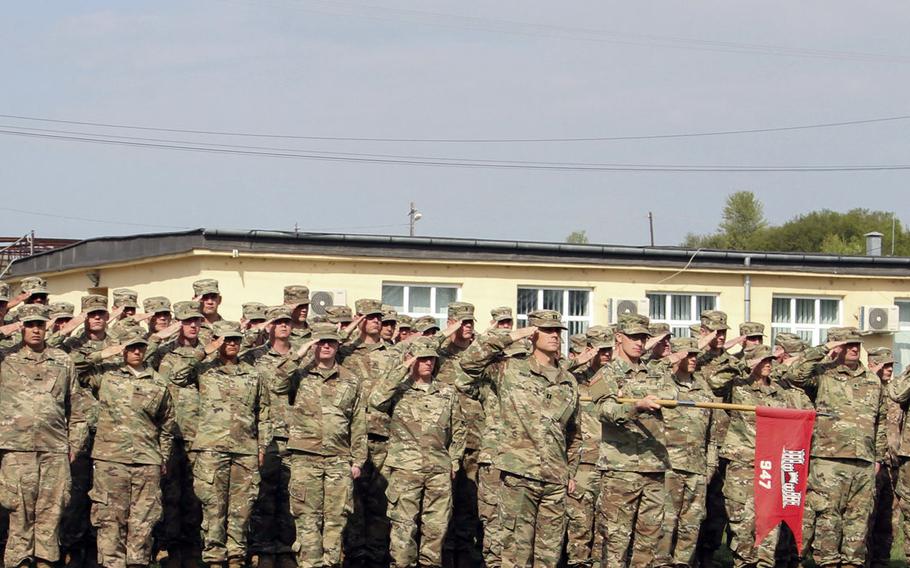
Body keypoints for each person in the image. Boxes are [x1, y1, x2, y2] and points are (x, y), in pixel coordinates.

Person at [458, 309, 580, 567]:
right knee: (515, 555)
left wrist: (571, 471)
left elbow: (574, 432)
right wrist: (513, 335)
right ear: (534, 333)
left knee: (549, 556)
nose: (555, 336)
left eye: (558, 331)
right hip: (519, 474)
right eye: (548, 330)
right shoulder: (509, 369)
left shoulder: (568, 380)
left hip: (555, 479)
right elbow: (469, 362)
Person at [786, 327, 886, 568]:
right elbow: (795, 376)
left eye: (857, 345)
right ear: (838, 347)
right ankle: (828, 563)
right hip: (829, 459)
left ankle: (852, 563)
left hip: (863, 462)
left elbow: (880, 421)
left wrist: (878, 458)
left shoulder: (872, 380)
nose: (854, 348)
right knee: (828, 519)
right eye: (848, 344)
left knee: (858, 522)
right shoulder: (823, 373)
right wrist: (823, 349)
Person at [270, 322, 366, 568]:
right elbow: (276, 383)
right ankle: (309, 564)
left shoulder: (350, 380)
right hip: (305, 457)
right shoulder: (299, 374)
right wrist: (298, 354)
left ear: (337, 346)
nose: (326, 346)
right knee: (306, 516)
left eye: (331, 342)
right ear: (313, 345)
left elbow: (357, 421)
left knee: (337, 518)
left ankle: (331, 563)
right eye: (320, 342)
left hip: (338, 457)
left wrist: (358, 460)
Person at [0, 304, 87, 568]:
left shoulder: (62, 360)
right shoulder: (6, 358)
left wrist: (75, 444)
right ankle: (19, 562)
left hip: (55, 449)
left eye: (40, 324)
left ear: (48, 327)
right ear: (21, 327)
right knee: (19, 509)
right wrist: (9, 328)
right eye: (29, 324)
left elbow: (77, 408)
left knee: (52, 510)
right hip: (16, 448)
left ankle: (45, 562)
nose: (35, 329)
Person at [709, 345, 811, 567]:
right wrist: (741, 364)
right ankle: (744, 562)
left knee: (769, 524)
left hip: (772, 464)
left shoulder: (779, 391)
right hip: (743, 464)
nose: (768, 364)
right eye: (762, 360)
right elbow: (715, 382)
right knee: (743, 524)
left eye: (770, 360)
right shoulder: (737, 387)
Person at [82, 330, 176, 568]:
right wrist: (104, 353)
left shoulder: (158, 382)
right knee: (110, 517)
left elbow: (167, 424)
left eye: (140, 347)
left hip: (147, 460)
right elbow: (73, 366)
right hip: (110, 459)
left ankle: (137, 563)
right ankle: (112, 564)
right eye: (131, 347)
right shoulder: (106, 376)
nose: (136, 351)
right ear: (122, 349)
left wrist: (162, 457)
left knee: (144, 518)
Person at [371, 337, 465, 568]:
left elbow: (459, 428)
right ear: (412, 359)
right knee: (403, 528)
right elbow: (375, 400)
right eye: (422, 358)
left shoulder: (446, 392)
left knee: (436, 529)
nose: (427, 363)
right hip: (405, 469)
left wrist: (454, 461)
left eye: (431, 358)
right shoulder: (399, 391)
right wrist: (402, 367)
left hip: (438, 470)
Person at [593, 313, 670, 568]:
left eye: (643, 338)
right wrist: (635, 407)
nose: (639, 343)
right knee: (615, 541)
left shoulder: (657, 373)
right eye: (634, 337)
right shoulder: (606, 374)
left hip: (654, 467)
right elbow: (604, 411)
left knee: (648, 543)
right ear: (619, 338)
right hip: (621, 468)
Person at [192, 321, 270, 568]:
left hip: (245, 449)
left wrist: (261, 447)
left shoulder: (253, 374)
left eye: (236, 339)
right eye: (227, 340)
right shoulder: (204, 371)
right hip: (211, 447)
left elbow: (264, 412)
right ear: (217, 341)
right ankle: (215, 558)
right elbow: (177, 375)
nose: (232, 344)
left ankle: (236, 557)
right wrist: (206, 349)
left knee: (242, 507)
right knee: (214, 505)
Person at [156, 301, 212, 568]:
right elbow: (176, 377)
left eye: (197, 321)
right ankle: (170, 546)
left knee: (195, 494)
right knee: (170, 493)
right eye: (188, 321)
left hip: (198, 433)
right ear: (178, 323)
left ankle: (192, 547)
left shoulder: (207, 352)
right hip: (171, 431)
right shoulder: (167, 353)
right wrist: (203, 353)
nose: (193, 325)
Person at [244, 306, 300, 568]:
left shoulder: (303, 355)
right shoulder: (257, 357)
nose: (284, 326)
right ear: (270, 326)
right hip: (266, 432)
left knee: (291, 494)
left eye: (287, 322)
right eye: (278, 322)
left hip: (296, 433)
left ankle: (285, 546)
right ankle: (264, 547)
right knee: (265, 493)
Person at [655, 337, 712, 567]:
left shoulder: (703, 386)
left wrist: (711, 465)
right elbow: (650, 370)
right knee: (666, 522)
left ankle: (683, 563)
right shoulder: (663, 384)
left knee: (692, 523)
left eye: (695, 355)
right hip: (670, 463)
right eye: (687, 355)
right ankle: (661, 563)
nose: (693, 359)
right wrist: (668, 361)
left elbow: (711, 431)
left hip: (697, 466)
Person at [565, 327, 613, 568]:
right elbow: (549, 377)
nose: (605, 355)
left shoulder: (616, 379)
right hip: (583, 462)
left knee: (606, 527)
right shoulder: (575, 379)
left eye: (609, 350)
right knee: (579, 525)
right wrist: (577, 362)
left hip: (612, 461)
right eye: (600, 350)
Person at [867, 347, 900, 568]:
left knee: (889, 518)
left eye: (890, 366)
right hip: (870, 462)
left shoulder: (894, 391)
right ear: (872, 364)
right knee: (866, 516)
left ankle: (881, 561)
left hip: (891, 463)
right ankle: (863, 559)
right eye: (884, 365)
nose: (888, 370)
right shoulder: (866, 388)